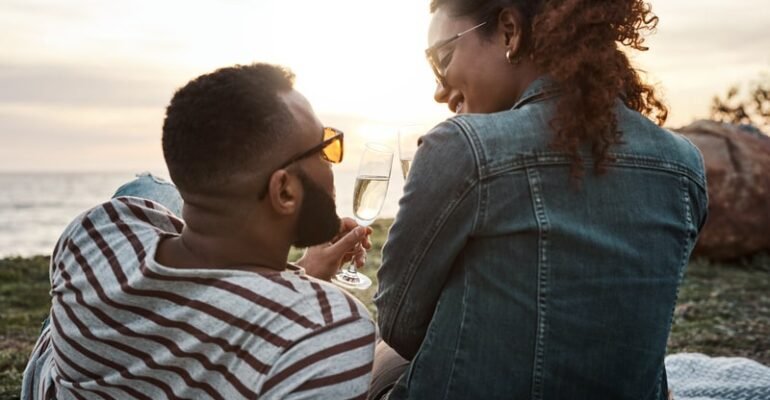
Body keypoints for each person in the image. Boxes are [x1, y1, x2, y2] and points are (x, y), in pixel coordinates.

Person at [373, 1, 708, 399]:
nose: (439, 90)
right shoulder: (685, 165)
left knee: (374, 356)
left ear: (509, 31)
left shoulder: (463, 148)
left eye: (442, 57)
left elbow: (399, 326)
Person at [21, 63, 377, 400]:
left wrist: (302, 275)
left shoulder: (96, 234)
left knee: (148, 189)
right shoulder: (330, 329)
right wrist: (304, 288)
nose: (332, 162)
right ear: (284, 191)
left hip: (57, 380)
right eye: (326, 148)